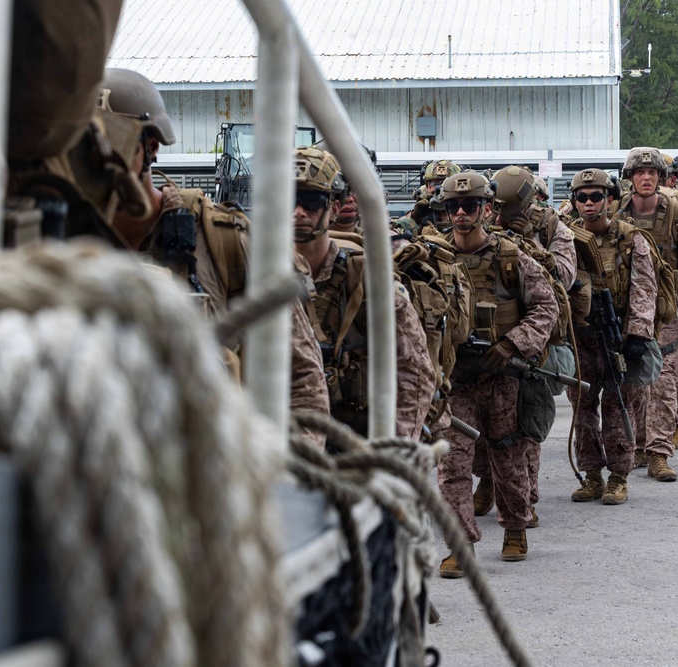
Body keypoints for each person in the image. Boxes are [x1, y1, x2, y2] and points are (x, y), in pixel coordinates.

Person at [103, 70, 331, 446]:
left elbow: (303, 379)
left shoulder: (221, 240)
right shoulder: (50, 241)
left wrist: (288, 471)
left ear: (151, 146)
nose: (95, 164)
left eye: (113, 144)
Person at [437, 170, 559, 568]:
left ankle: (515, 527)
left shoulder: (511, 257)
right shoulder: (434, 260)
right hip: (455, 381)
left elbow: (546, 307)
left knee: (508, 458)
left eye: (469, 205)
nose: (461, 213)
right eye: (454, 206)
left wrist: (512, 344)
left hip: (503, 378)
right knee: (453, 464)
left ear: (486, 209)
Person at [292, 146, 435, 440]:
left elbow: (415, 370)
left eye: (312, 201)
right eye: (288, 199)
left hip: (358, 442)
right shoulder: (254, 275)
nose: (298, 212)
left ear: (333, 207)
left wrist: (396, 446)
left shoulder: (368, 279)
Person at [468, 164, 577, 518]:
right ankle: (489, 481)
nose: (502, 215)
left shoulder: (552, 226)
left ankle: (523, 499)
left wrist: (530, 244)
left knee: (523, 425)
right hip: (484, 338)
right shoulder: (483, 219)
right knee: (482, 425)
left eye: (510, 209)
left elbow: (564, 278)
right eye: (498, 208)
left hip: (529, 340)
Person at [613, 147, 678, 481]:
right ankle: (638, 447)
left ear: (660, 177)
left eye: (652, 173)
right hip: (626, 311)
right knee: (631, 382)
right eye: (640, 173)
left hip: (666, 312)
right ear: (630, 177)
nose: (646, 178)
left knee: (663, 381)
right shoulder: (616, 213)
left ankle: (659, 452)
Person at [566, 168, 657, 505]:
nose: (589, 203)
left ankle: (619, 476)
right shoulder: (565, 239)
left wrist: (638, 334)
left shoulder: (630, 239)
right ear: (574, 201)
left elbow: (644, 288)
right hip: (580, 337)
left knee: (619, 407)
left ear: (610, 199)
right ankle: (592, 475)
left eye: (596, 197)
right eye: (582, 197)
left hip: (617, 337)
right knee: (583, 409)